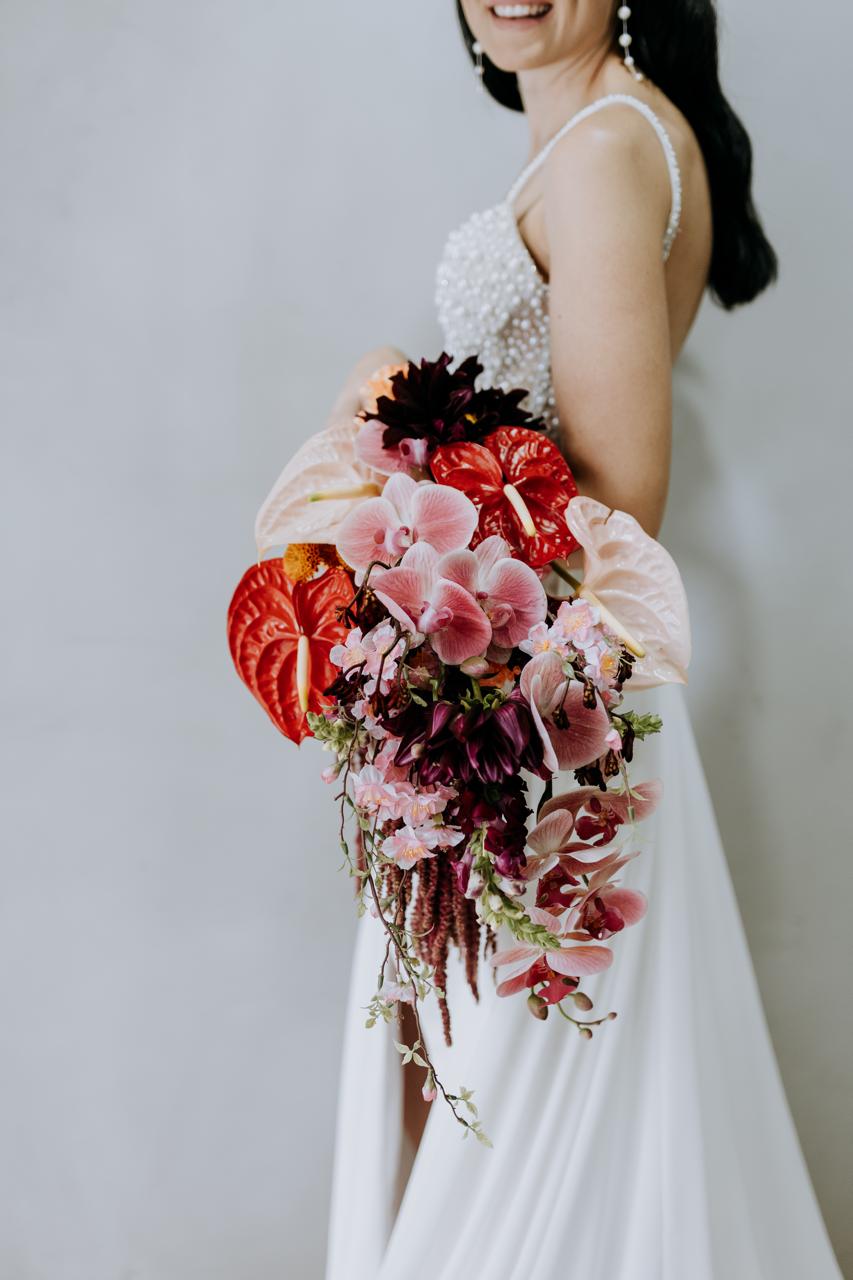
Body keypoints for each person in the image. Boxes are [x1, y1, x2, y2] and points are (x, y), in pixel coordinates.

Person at [325, 3, 842, 1276]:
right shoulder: (592, 136)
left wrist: (399, 422)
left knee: (515, 1123)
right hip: (523, 693)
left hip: (551, 712)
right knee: (491, 1095)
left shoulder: (609, 145)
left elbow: (618, 499)